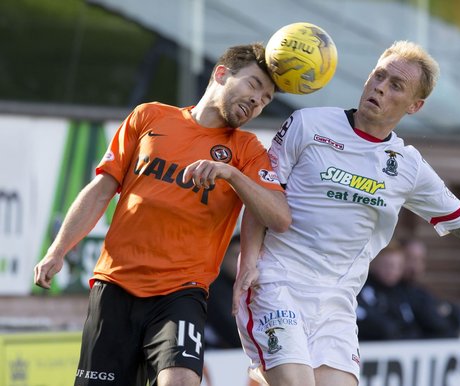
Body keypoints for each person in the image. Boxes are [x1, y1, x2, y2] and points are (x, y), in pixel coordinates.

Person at [231, 40, 460, 386]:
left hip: (336, 303)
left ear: (415, 106)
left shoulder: (408, 167)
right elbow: (263, 197)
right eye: (378, 76)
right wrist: (248, 261)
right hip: (277, 283)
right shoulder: (308, 124)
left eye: (395, 85)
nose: (380, 87)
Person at [33, 43, 291, 386]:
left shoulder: (246, 150)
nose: (257, 101)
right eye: (254, 86)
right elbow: (101, 188)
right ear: (221, 74)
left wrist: (231, 174)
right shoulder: (150, 116)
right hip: (115, 285)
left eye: (266, 100)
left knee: (181, 381)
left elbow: (280, 217)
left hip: (181, 292)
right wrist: (57, 250)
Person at [356, 241, 424, 341]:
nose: (392, 271)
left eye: (398, 266)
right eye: (388, 265)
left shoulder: (403, 293)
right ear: (375, 264)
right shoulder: (361, 289)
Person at [399, 237, 460, 338]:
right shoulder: (389, 293)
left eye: (421, 260)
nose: (416, 266)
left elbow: (455, 317)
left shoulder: (420, 292)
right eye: (411, 259)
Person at [205, 233, 243, 349]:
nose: (241, 262)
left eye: (245, 257)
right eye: (237, 256)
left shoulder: (251, 287)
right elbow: (228, 328)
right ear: (223, 256)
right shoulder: (213, 287)